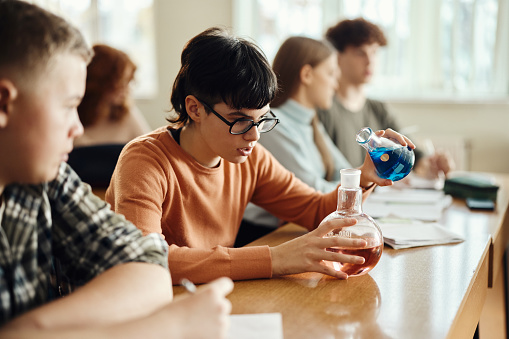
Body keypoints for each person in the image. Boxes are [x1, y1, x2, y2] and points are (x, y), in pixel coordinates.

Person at [105, 27, 415, 284]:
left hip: (206, 300)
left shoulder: (250, 158)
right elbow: (148, 259)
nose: (254, 136)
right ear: (195, 108)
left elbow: (314, 210)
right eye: (239, 121)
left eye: (262, 119)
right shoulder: (144, 161)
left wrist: (362, 178)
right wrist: (277, 258)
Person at [0, 1, 232, 337]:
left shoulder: (43, 178)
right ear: (4, 103)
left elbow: (148, 262)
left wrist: (28, 330)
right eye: (67, 107)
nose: (77, 128)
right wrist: (167, 326)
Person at [241, 36, 352, 235]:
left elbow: (345, 173)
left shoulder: (311, 121)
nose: (336, 85)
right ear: (307, 74)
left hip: (298, 227)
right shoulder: (271, 123)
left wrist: (357, 182)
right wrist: (354, 186)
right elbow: (314, 193)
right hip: (264, 234)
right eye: (330, 74)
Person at [317, 17, 453, 179]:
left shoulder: (378, 108)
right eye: (360, 53)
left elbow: (407, 149)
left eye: (374, 52)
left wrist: (431, 162)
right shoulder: (322, 110)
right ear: (337, 56)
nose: (370, 61)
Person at [74, 44, 151, 147]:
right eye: (121, 82)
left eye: (128, 82)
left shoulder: (126, 115)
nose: (126, 89)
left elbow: (153, 149)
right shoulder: (73, 115)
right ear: (101, 81)